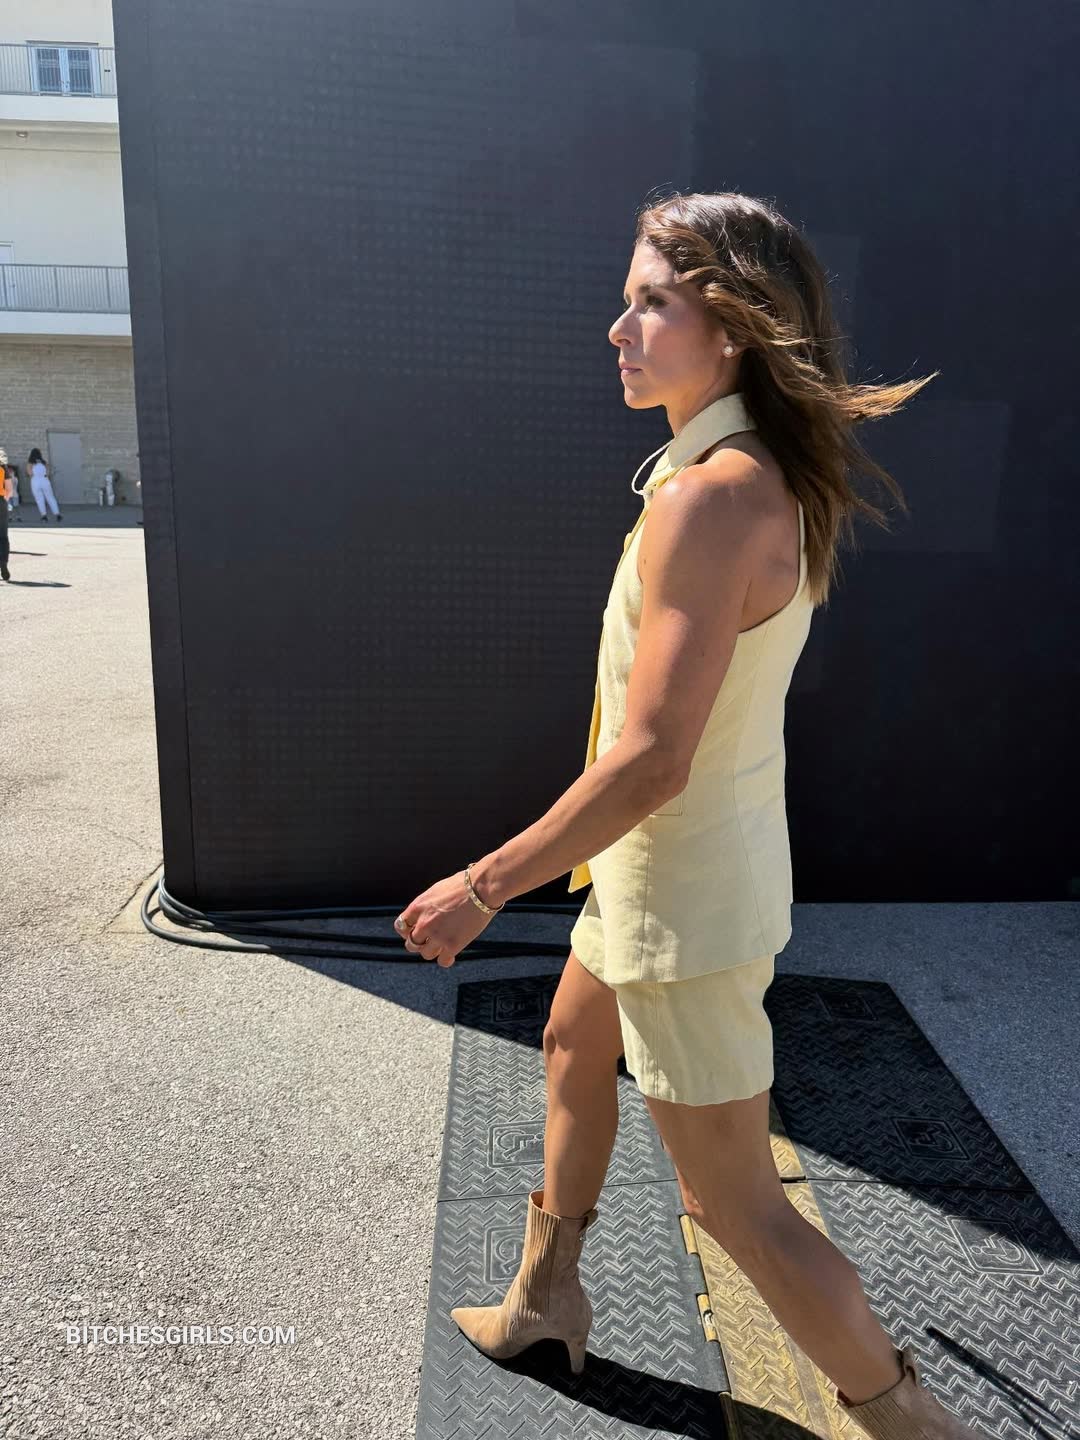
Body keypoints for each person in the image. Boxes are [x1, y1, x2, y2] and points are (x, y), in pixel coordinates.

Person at [429, 191, 982, 1439]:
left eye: (651, 303)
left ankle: (910, 1425)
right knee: (573, 1044)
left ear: (731, 328)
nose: (617, 328)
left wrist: (481, 884)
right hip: (653, 879)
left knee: (737, 1206)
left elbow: (650, 760)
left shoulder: (711, 497)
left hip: (679, 901)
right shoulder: (742, 478)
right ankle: (546, 1299)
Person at [27, 447, 62, 522]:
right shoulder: (44, 462)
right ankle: (57, 514)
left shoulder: (30, 463)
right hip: (45, 480)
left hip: (35, 481)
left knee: (39, 499)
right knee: (50, 497)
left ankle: (44, 516)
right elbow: (48, 473)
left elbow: (30, 473)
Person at [0, 451, 11, 581]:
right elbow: (9, 489)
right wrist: (4, 502)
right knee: (2, 536)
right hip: (0, 502)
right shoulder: (2, 466)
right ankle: (3, 563)